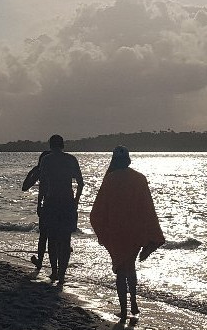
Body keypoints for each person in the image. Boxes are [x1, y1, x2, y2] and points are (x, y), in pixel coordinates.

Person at [89, 146, 165, 318]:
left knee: (121, 270)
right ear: (128, 160)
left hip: (116, 232)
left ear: (114, 160)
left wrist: (102, 233)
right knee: (130, 267)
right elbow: (148, 208)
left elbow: (99, 209)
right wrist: (151, 234)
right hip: (135, 231)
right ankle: (134, 303)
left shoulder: (109, 179)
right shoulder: (139, 178)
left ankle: (124, 309)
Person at [37, 135, 83, 285]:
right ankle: (62, 274)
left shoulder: (46, 160)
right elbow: (81, 183)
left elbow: (43, 184)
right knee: (65, 240)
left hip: (51, 202)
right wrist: (76, 201)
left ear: (50, 145)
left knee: (52, 239)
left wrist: (39, 203)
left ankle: (55, 271)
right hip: (67, 202)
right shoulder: (71, 160)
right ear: (63, 145)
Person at [21, 150, 50, 276]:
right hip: (59, 205)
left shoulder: (40, 171)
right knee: (55, 236)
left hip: (46, 206)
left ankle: (40, 262)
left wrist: (32, 171)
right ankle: (56, 268)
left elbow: (25, 187)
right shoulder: (58, 172)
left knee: (44, 236)